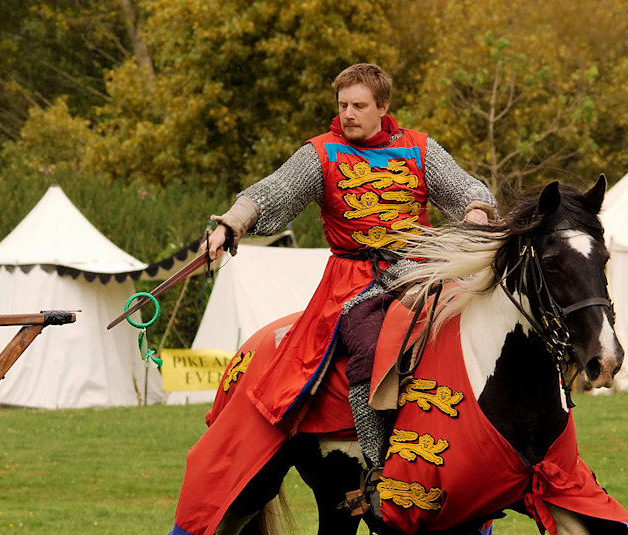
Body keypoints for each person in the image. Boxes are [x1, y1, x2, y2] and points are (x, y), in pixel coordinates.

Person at [204, 63, 496, 470]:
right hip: (356, 283)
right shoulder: (322, 152)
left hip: (422, 271)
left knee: (476, 330)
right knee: (370, 346)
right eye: (343, 105)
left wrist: (477, 212)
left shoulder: (420, 148)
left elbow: (468, 189)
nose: (348, 114)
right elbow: (272, 192)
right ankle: (379, 464)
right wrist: (231, 223)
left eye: (359, 105)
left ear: (383, 106)